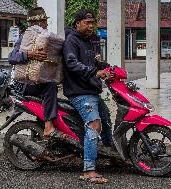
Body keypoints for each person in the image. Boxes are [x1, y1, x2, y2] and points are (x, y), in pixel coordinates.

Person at [63, 9, 114, 184]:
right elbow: (72, 63)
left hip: (92, 91)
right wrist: (95, 72)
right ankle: (89, 170)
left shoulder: (91, 40)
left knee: (106, 119)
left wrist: (109, 68)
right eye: (87, 22)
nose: (91, 26)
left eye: (92, 23)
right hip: (79, 92)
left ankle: (112, 155)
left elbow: (96, 61)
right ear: (77, 24)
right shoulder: (72, 41)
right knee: (94, 124)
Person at [8, 7, 66, 140]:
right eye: (45, 21)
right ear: (40, 22)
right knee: (50, 87)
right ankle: (48, 126)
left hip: (35, 81)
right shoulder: (25, 37)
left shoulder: (44, 37)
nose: (46, 24)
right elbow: (12, 57)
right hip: (22, 84)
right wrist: (30, 54)